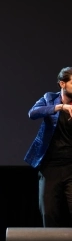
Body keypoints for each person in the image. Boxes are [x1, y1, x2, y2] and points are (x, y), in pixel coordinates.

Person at [25, 66, 72, 227]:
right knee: (48, 213)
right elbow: (33, 113)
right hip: (50, 167)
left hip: (71, 167)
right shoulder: (49, 98)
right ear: (62, 84)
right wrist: (61, 107)